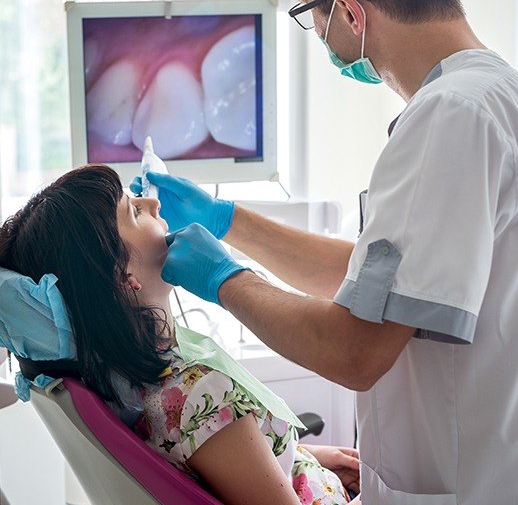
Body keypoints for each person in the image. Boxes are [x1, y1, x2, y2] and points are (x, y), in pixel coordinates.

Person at [131, 0, 518, 503]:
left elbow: (356, 351)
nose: (319, 35)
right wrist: (227, 221)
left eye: (308, 15)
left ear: (348, 13)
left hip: (468, 482)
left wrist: (225, 280)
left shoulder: (451, 117)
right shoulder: (497, 95)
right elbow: (384, 285)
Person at [0, 165, 360, 505]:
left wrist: (299, 457)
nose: (153, 202)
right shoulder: (200, 395)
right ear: (123, 277)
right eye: (134, 212)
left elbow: (215, 463)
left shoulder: (127, 386)